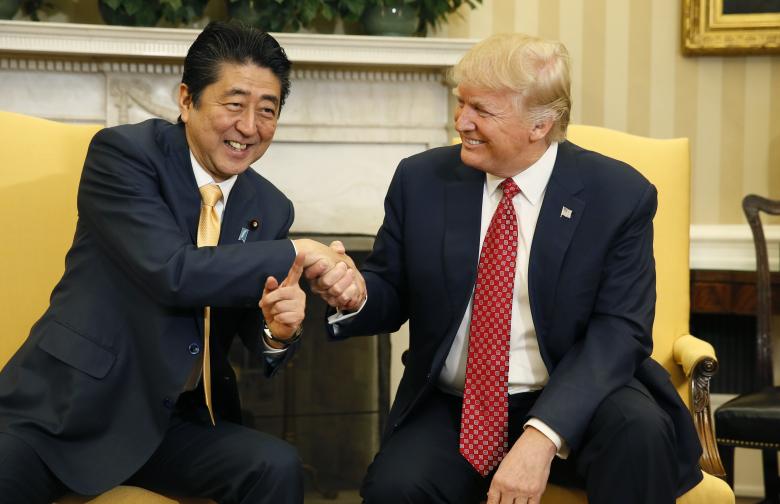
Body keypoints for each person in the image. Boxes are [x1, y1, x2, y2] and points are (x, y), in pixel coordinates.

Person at [322, 33, 703, 504]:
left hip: (575, 393)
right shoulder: (421, 180)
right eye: (461, 104)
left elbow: (620, 331)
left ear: (540, 125)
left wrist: (543, 434)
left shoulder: (618, 195)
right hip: (456, 405)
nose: (462, 122)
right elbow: (388, 290)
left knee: (640, 432)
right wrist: (353, 292)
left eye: (482, 111)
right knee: (394, 488)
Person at [0, 21, 361, 504]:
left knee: (274, 467)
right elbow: (172, 272)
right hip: (65, 411)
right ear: (187, 100)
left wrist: (278, 329)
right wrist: (298, 249)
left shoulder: (270, 207)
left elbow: (246, 323)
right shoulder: (124, 155)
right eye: (233, 104)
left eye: (267, 110)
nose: (249, 127)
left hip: (169, 423)